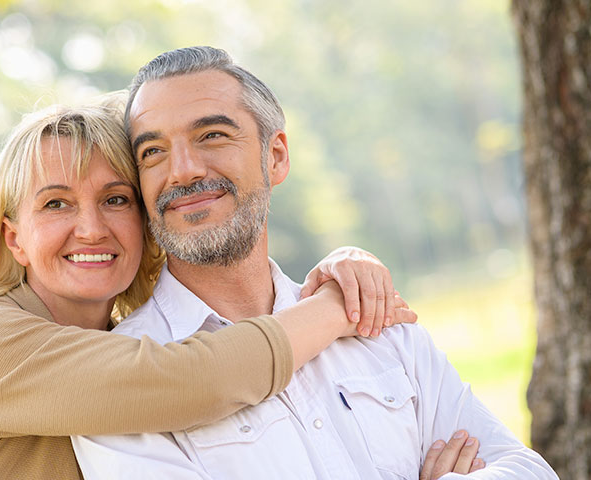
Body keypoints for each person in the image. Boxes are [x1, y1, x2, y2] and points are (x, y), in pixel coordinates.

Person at [72, 46, 557, 480]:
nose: (183, 170)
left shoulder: (377, 322)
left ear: (276, 157)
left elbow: (527, 471)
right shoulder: (124, 386)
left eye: (212, 136)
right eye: (153, 151)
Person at [0, 97, 417, 479]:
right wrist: (335, 306)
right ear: (13, 237)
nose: (90, 228)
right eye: (56, 204)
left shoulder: (126, 337)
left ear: (148, 220)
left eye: (117, 199)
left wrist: (344, 264)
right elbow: (192, 379)